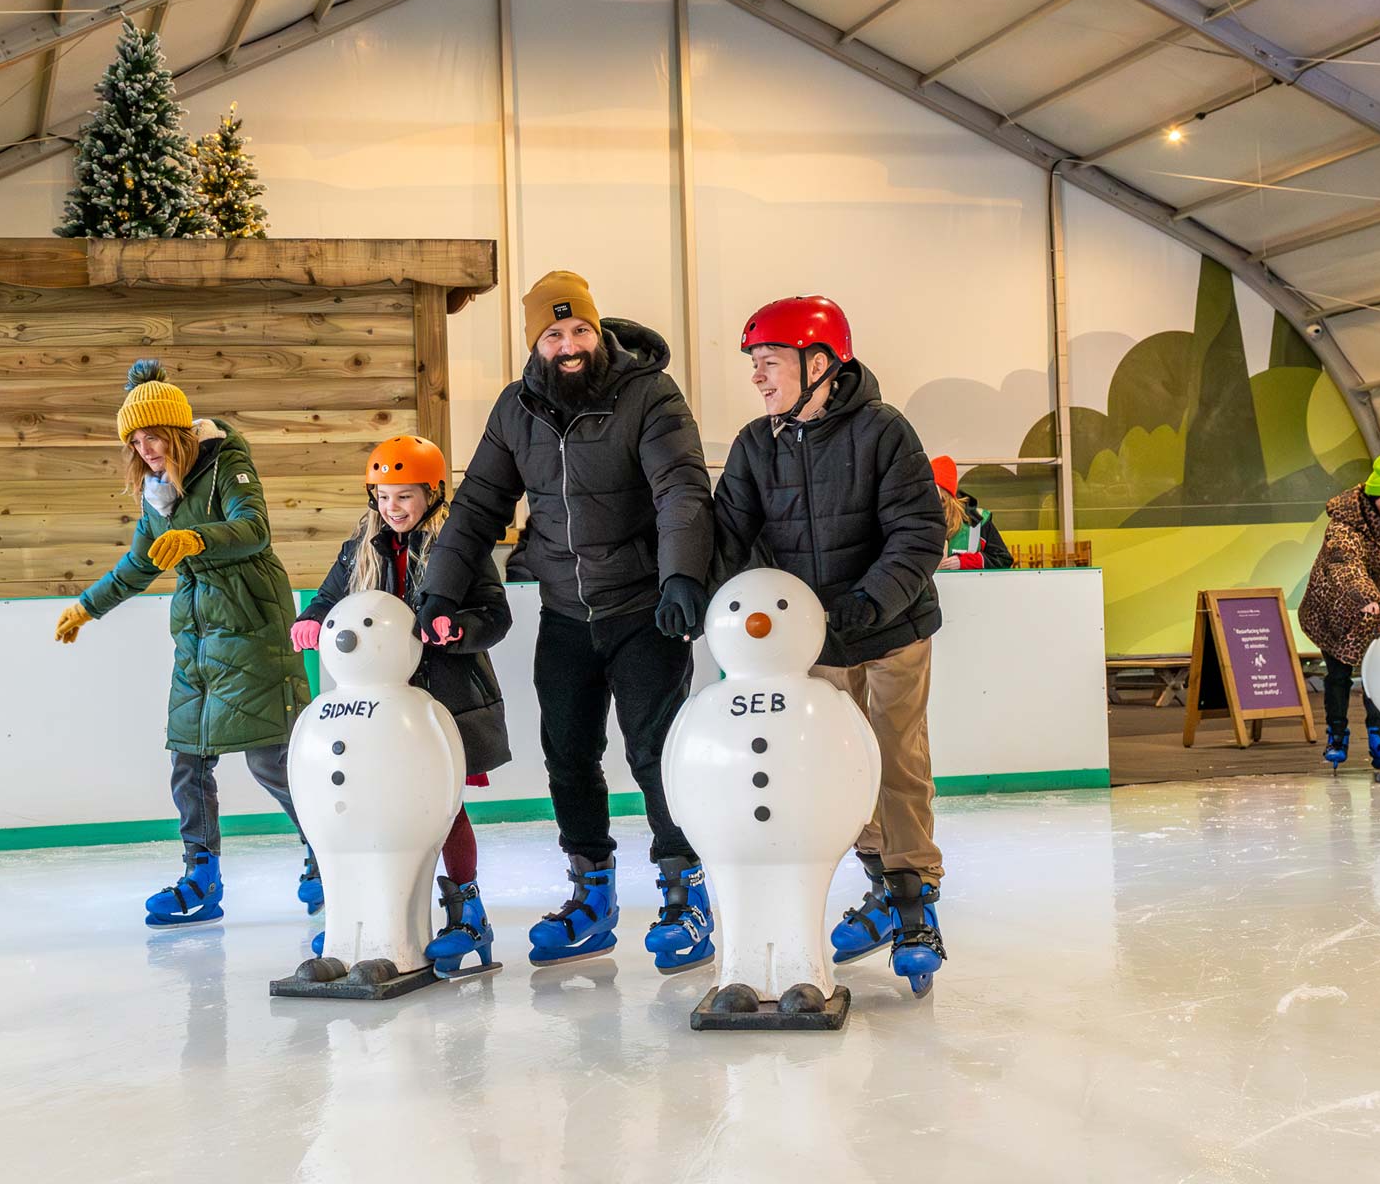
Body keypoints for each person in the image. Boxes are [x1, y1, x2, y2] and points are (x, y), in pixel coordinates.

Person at [415, 270, 717, 972]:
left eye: (579, 329)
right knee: (569, 757)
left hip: (646, 610)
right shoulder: (516, 408)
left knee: (656, 757)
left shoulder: (648, 394)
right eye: (554, 334)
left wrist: (680, 576)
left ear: (598, 328)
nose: (570, 344)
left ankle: (685, 895)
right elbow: (478, 507)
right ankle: (592, 895)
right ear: (535, 343)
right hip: (565, 615)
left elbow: (680, 488)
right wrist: (437, 594)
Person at [710, 295, 949, 998]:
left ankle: (914, 904)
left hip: (891, 630)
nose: (757, 376)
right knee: (837, 772)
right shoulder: (758, 445)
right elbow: (729, 537)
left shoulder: (883, 432)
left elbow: (918, 533)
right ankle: (880, 885)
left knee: (897, 757)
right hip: (810, 641)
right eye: (753, 363)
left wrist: (866, 605)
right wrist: (696, 596)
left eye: (771, 361)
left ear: (820, 363)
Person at [55, 360, 315, 928]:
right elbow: (139, 563)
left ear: (176, 430)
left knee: (271, 757)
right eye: (136, 440)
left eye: (154, 436)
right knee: (187, 757)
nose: (146, 449)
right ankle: (202, 875)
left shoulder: (226, 461)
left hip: (251, 620)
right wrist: (87, 607)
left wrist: (199, 536)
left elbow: (255, 530)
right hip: (197, 635)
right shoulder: (155, 491)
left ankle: (326, 855)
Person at [292, 435, 513, 976]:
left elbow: (496, 615)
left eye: (405, 497)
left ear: (433, 494)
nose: (393, 508)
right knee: (372, 805)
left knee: (441, 808)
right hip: (374, 711)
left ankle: (467, 912)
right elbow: (328, 598)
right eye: (385, 496)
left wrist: (457, 629)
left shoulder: (459, 546)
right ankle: (364, 915)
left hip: (442, 703)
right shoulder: (360, 546)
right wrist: (312, 620)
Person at [1298, 454, 1380, 771]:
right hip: (1335, 610)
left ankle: (1379, 737)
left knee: (1377, 677)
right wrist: (1365, 595)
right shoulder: (1343, 526)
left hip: (1375, 614)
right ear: (1374, 497)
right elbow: (1344, 562)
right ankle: (1337, 736)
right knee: (1338, 676)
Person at [931, 456, 1013, 571]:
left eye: (941, 499)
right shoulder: (917, 519)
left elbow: (1003, 559)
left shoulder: (977, 521)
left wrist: (966, 562)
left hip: (969, 587)